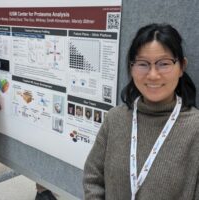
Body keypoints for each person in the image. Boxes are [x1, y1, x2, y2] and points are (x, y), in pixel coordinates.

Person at [83, 23, 199, 199]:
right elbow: (93, 178)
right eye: (142, 64)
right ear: (131, 68)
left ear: (181, 67)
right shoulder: (115, 119)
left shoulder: (195, 129)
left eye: (164, 64)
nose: (153, 75)